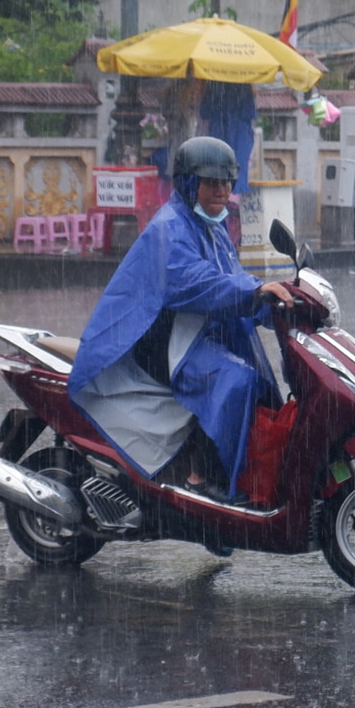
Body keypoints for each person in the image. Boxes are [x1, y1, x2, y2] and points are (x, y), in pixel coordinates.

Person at [68, 136, 294, 504]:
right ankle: (201, 479)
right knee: (235, 381)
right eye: (211, 182)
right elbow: (195, 283)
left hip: (192, 334)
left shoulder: (213, 225)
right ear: (189, 183)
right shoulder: (169, 228)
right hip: (160, 341)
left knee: (256, 383)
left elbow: (229, 276)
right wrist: (253, 291)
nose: (221, 190)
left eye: (226, 182)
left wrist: (282, 302)